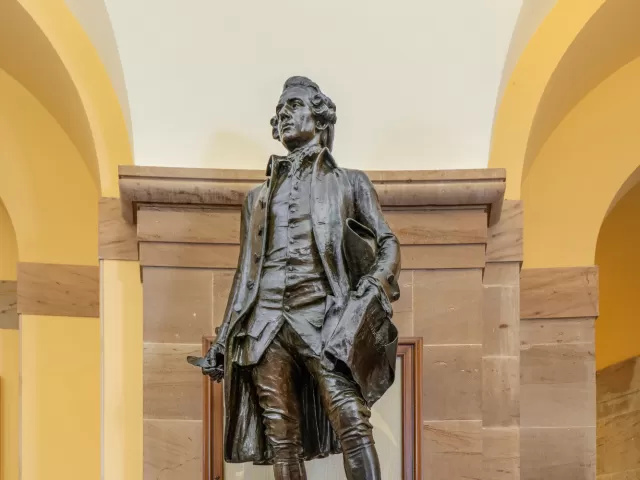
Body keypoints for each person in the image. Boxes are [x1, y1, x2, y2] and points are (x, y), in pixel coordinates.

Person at [201, 76, 401, 480]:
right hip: (265, 327)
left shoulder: (350, 182)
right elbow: (245, 273)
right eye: (279, 112)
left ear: (320, 115)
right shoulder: (255, 199)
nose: (283, 115)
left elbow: (387, 243)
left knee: (352, 421)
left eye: (293, 105)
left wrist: (372, 289)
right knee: (281, 438)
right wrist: (223, 338)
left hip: (327, 319)